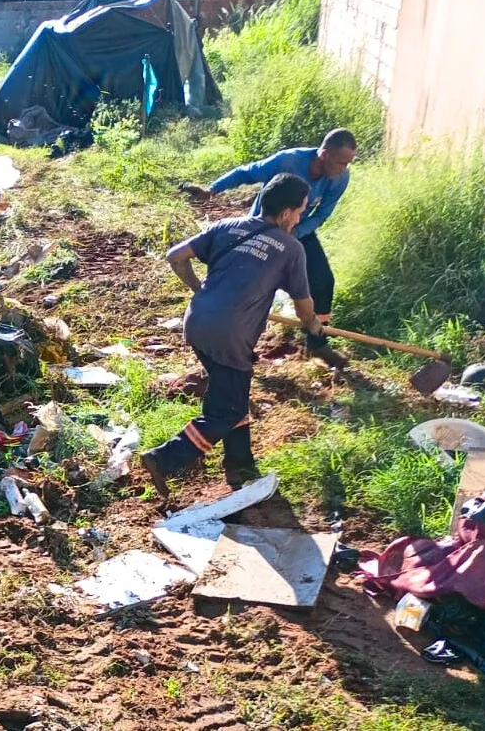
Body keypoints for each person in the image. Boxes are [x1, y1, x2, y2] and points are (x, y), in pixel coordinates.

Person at [141, 173, 325, 498]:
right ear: (285, 212)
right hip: (230, 335)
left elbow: (175, 257)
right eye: (300, 212)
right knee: (224, 412)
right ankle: (164, 459)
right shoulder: (291, 248)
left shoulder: (226, 226)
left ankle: (241, 466)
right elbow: (303, 305)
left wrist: (201, 291)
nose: (300, 219)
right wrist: (312, 324)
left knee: (234, 398)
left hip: (196, 323)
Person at [182, 129, 357, 368]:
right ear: (325, 154)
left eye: (348, 163)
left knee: (323, 281)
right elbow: (246, 172)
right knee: (251, 284)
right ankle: (239, 342)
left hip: (298, 228)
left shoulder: (340, 179)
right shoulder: (289, 161)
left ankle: (317, 342)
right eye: (341, 162)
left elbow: (322, 215)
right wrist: (212, 190)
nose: (344, 168)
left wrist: (295, 233)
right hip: (262, 228)